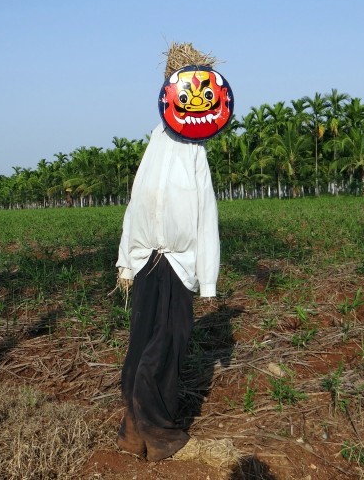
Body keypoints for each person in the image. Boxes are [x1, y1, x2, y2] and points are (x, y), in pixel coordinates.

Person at [114, 105, 221, 461]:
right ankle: (156, 432)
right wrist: (126, 262)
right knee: (155, 345)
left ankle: (135, 429)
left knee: (161, 341)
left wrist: (207, 279)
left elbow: (205, 213)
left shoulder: (194, 148)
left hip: (177, 261)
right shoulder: (156, 140)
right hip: (147, 259)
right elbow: (137, 202)